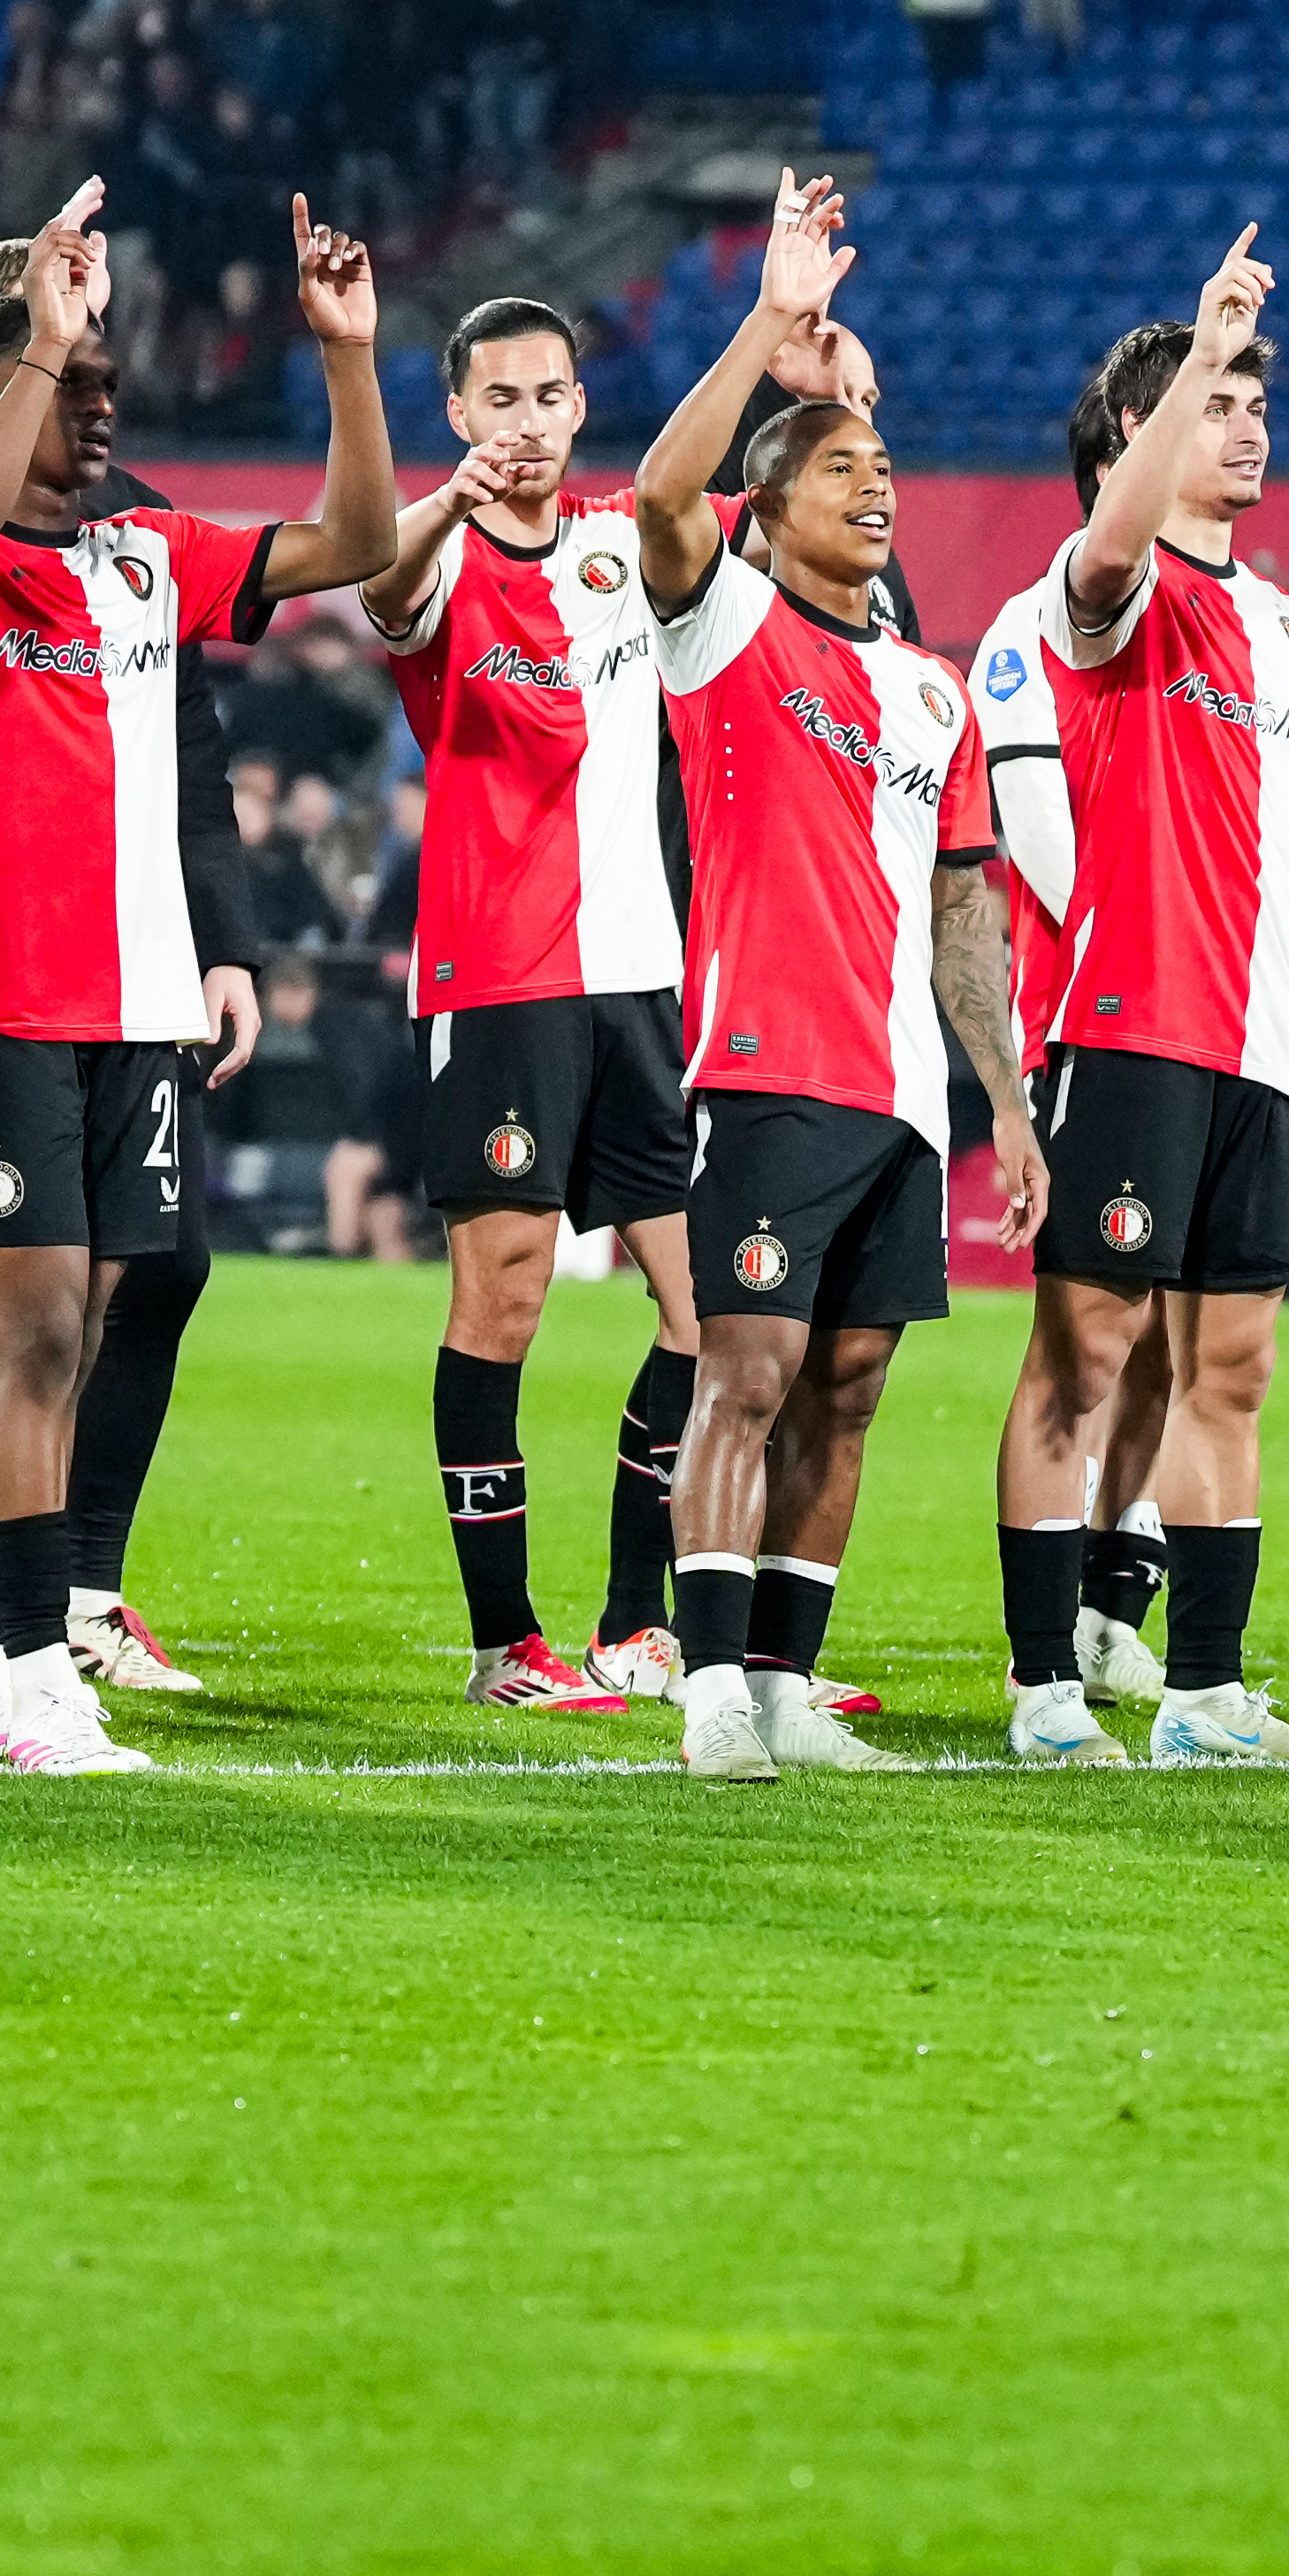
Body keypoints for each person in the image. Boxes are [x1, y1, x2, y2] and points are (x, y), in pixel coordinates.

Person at [0, 193, 400, 1772]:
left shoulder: (148, 560)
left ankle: (21, 1664)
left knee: (88, 1331)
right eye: (72, 393)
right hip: (0, 1003)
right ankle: (8, 1673)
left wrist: (347, 360)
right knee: (24, 1336)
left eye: (109, 394)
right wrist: (42, 336)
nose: (103, 421)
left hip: (136, 1005)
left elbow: (357, 545)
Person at [622, 182, 1039, 1778]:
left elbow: (962, 912)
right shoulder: (718, 628)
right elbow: (665, 486)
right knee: (746, 1371)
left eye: (884, 472)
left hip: (899, 1092)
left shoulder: (926, 691)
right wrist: (771, 336)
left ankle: (789, 1684)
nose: (875, 489)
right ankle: (710, 1686)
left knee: (849, 1389)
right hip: (762, 1062)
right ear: (769, 504)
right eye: (842, 471)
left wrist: (1004, 1099)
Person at [978, 230, 1289, 1769]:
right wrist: (1194, 345)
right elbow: (1109, 546)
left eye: (1256, 401)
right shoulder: (1103, 594)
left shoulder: (1280, 626)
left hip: (1258, 1051)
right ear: (1146, 437)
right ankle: (1041, 1689)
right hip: (1123, 1027)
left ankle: (1205, 1696)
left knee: (1230, 1368)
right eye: (1219, 404)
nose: (1248, 425)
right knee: (1080, 1358)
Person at [349, 293, 705, 1713]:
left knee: (708, 1315)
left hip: (641, 981)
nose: (529, 425)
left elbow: (717, 486)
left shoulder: (621, 543)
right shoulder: (439, 560)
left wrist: (774, 332)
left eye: (551, 397)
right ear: (459, 413)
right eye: (502, 400)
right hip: (501, 977)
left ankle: (636, 1616)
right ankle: (508, 1645)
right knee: (501, 1305)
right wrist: (443, 503)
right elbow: (381, 591)